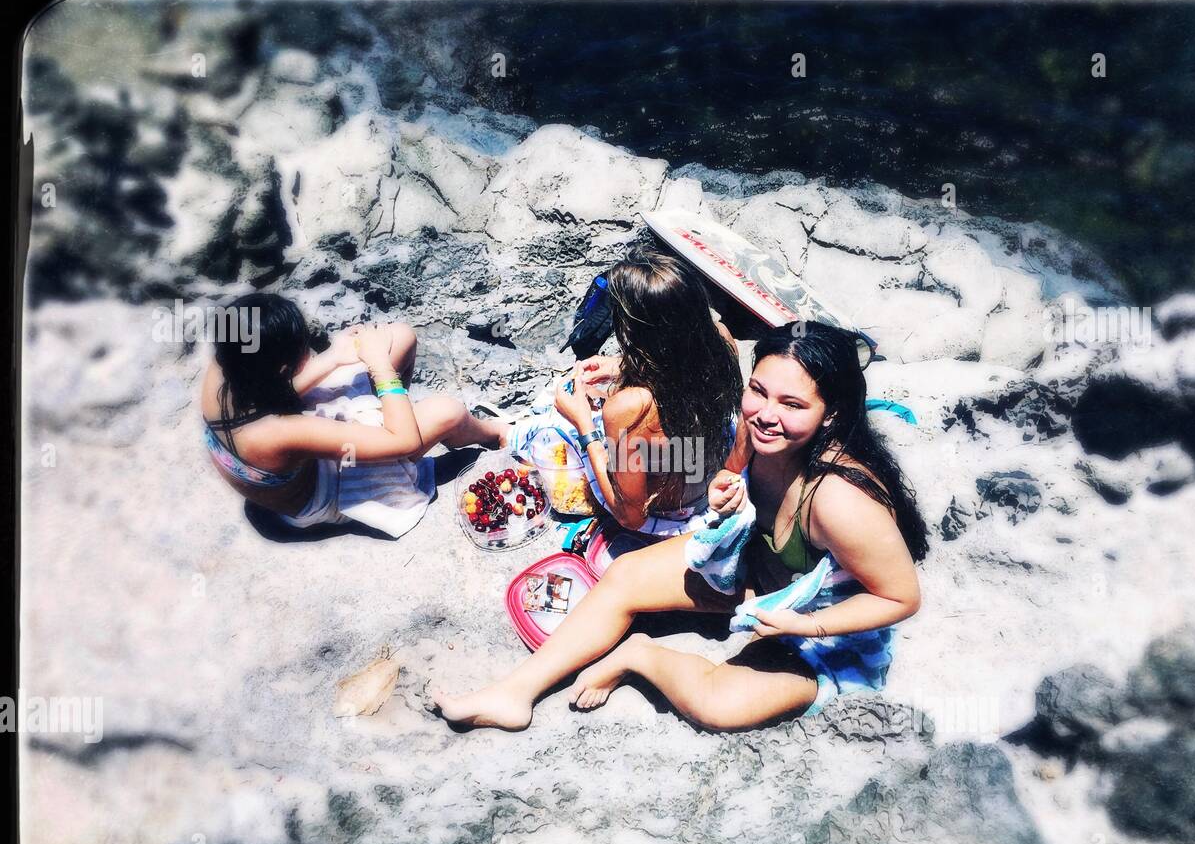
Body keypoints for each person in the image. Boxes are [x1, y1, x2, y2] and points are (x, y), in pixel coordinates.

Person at [429, 320, 928, 731]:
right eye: (758, 391)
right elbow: (712, 359)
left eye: (793, 405)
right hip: (750, 575)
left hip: (816, 624)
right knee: (623, 577)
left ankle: (638, 656)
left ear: (831, 414)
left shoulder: (841, 497)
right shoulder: (756, 433)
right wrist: (723, 494)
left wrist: (805, 623)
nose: (766, 415)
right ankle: (513, 694)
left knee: (719, 706)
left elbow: (900, 598)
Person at [200, 293, 507, 536]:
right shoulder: (276, 434)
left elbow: (269, 397)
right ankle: (495, 433)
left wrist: (333, 358)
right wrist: (378, 365)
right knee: (447, 412)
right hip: (321, 494)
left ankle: (392, 412)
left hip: (285, 443)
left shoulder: (225, 366)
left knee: (401, 336)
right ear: (283, 370)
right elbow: (405, 441)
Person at [510, 247, 747, 537]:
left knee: (552, 421)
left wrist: (584, 425)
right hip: (706, 465)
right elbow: (685, 367)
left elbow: (630, 516)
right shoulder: (721, 339)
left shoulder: (630, 408)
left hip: (674, 500)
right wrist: (620, 366)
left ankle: (502, 434)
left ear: (633, 331)